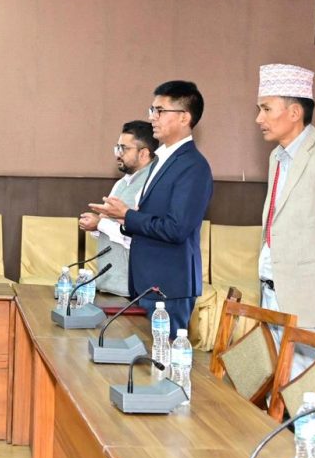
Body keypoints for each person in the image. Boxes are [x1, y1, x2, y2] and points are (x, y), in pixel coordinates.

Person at [90, 81, 213, 336]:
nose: (152, 117)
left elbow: (176, 228)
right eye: (152, 110)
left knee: (163, 356)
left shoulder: (193, 166)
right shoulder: (161, 161)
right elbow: (150, 219)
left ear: (184, 117)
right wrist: (124, 218)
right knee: (142, 355)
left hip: (169, 286)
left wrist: (127, 216)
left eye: (160, 111)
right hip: (146, 283)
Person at [254, 63, 315, 375]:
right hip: (272, 294)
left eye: (266, 109)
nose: (259, 119)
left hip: (311, 302)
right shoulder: (276, 157)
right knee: (277, 385)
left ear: (295, 112)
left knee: (310, 391)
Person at [77, 121, 158, 297]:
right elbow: (109, 226)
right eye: (117, 148)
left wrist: (100, 224)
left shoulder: (151, 185)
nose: (118, 154)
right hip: (109, 283)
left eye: (124, 149)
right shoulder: (121, 183)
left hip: (132, 290)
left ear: (143, 153)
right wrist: (96, 225)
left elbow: (139, 237)